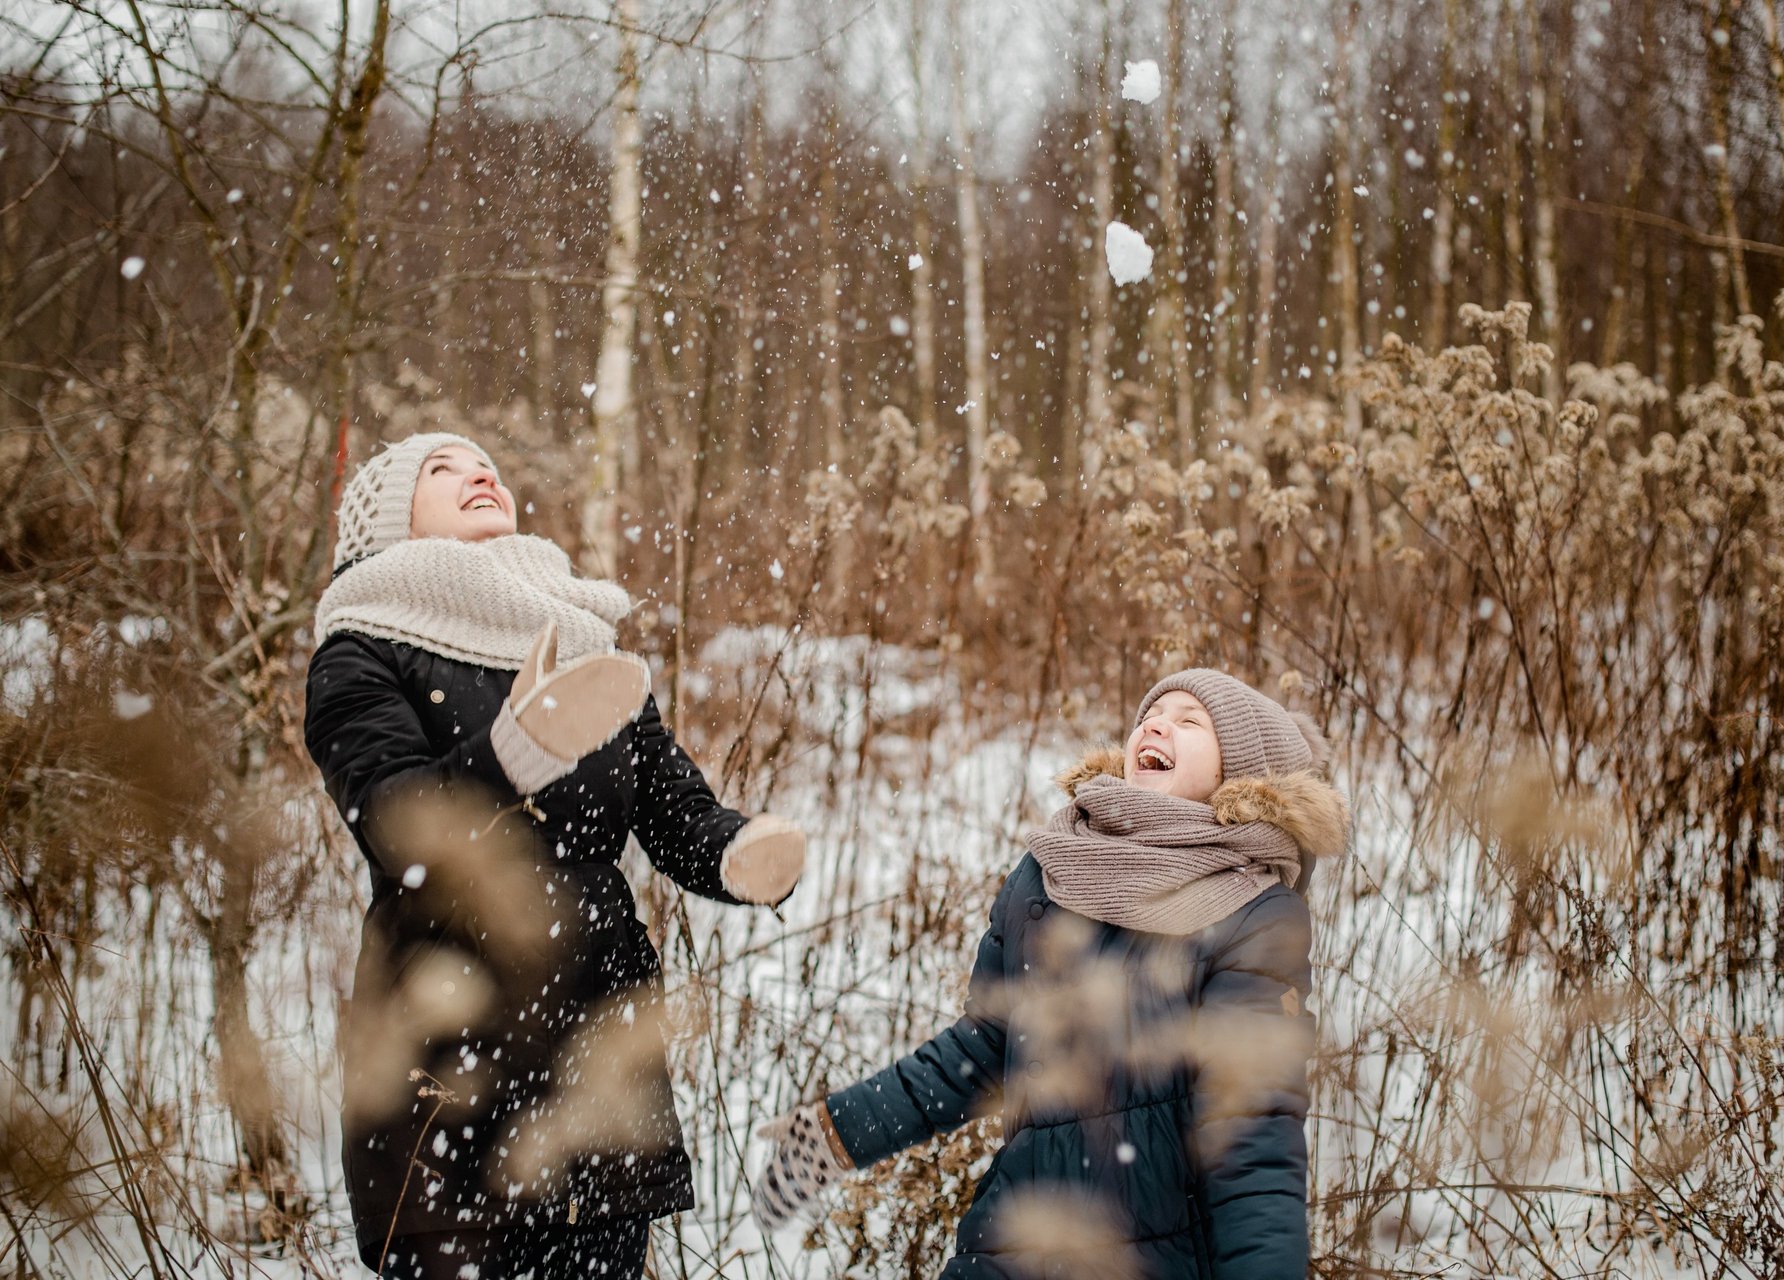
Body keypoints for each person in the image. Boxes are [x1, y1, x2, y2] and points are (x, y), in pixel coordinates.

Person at [304, 432, 805, 1278]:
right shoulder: (362, 647)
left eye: (485, 465)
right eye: (440, 469)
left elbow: (675, 814)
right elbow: (396, 823)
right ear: (387, 521)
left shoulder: (583, 648)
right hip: (449, 1063)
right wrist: (516, 750)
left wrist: (738, 854)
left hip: (602, 1060)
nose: (478, 473)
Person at [750, 670, 1347, 1279]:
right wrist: (833, 1134)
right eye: (1151, 714)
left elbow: (1251, 1132)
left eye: (1190, 721)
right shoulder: (1055, 870)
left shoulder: (1253, 913)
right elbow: (978, 1051)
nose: (1156, 725)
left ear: (1239, 773)